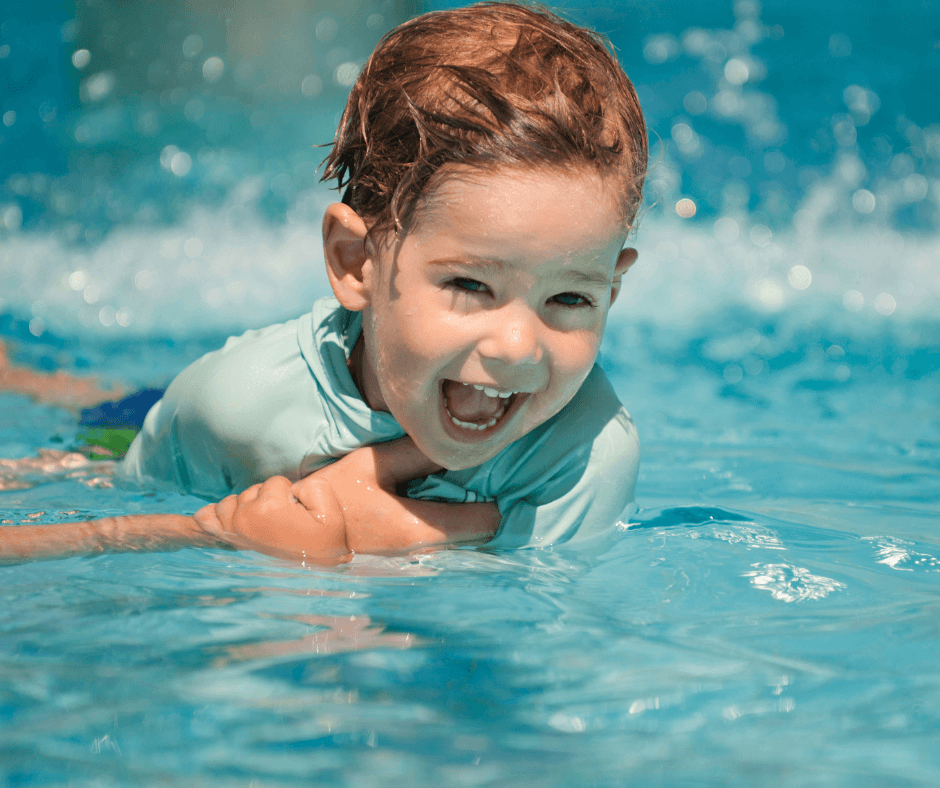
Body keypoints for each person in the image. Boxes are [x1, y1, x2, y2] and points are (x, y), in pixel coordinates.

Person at [0, 1, 647, 565]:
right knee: (96, 434)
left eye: (569, 298)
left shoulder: (586, 453)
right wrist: (225, 534)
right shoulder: (233, 408)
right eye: (472, 286)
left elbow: (530, 624)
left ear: (612, 292)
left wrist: (356, 540)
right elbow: (115, 546)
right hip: (153, 424)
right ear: (355, 262)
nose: (517, 346)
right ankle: (29, 381)